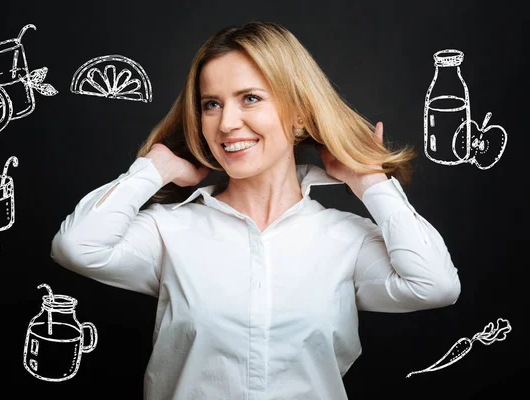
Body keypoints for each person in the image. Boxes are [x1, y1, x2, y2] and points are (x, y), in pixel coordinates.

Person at [51, 20, 461, 400]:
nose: (226, 122)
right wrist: (155, 169)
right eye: (211, 104)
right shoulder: (170, 231)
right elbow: (76, 247)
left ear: (299, 113)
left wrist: (370, 181)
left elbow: (435, 286)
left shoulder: (345, 240)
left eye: (249, 98)